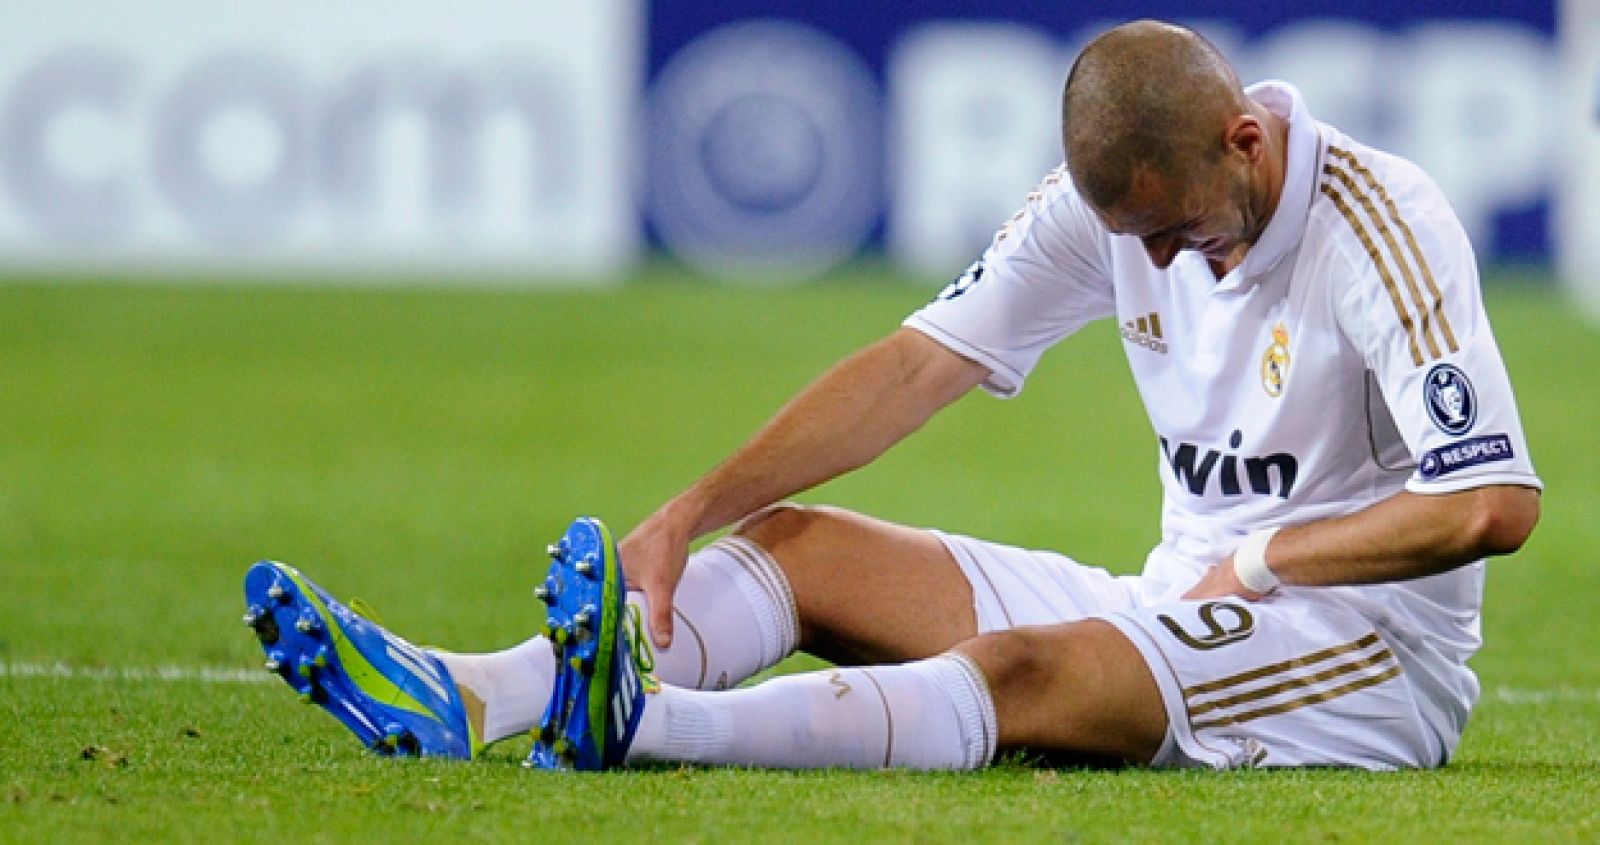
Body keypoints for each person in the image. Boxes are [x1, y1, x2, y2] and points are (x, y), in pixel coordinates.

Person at [243, 19, 1541, 772]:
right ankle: (475, 693)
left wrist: (1261, 559)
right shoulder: (1110, 206)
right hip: (1180, 592)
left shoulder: (1381, 224)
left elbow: (1492, 503)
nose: (1157, 264)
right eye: (1131, 239)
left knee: (1021, 669)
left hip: (1362, 655)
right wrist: (685, 512)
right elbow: (917, 365)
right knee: (796, 547)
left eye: (1175, 232)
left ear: (1244, 143)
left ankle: (645, 727)